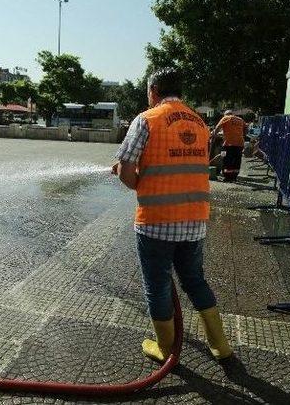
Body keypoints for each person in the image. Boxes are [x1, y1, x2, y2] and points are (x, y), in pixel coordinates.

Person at [112, 68, 232, 363]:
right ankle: (220, 345)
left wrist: (133, 178)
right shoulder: (200, 122)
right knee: (195, 280)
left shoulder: (146, 119)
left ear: (153, 91)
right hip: (195, 220)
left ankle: (165, 349)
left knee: (157, 285)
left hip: (156, 221)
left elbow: (127, 173)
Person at [211, 110, 247, 181]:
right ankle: (234, 177)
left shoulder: (226, 118)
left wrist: (213, 136)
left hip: (228, 144)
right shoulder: (240, 119)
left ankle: (227, 177)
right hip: (240, 144)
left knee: (226, 159)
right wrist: (242, 135)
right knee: (237, 160)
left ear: (226, 114)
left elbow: (217, 128)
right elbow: (246, 128)